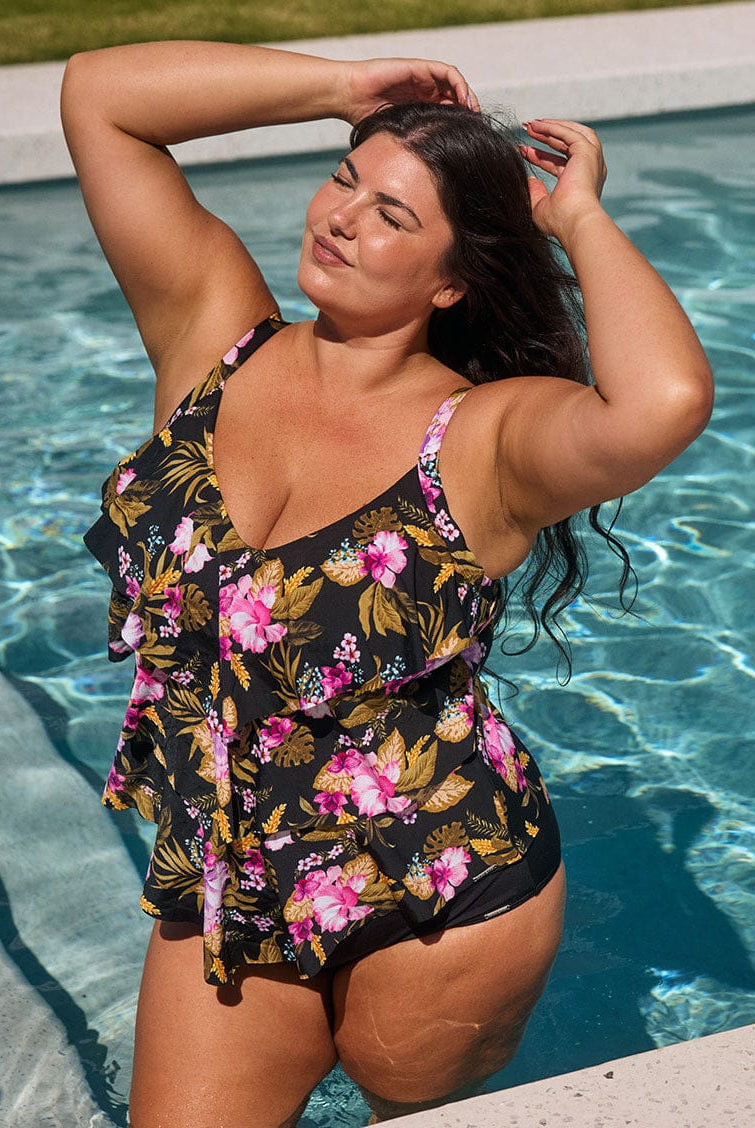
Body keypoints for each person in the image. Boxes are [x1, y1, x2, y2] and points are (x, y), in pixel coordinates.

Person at [60, 40, 713, 1128]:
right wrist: (339, 88)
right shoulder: (213, 336)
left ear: (451, 282)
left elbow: (662, 403)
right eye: (343, 179)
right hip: (232, 866)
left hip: (440, 890)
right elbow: (100, 96)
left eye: (392, 216)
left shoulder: (483, 440)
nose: (342, 218)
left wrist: (579, 219)